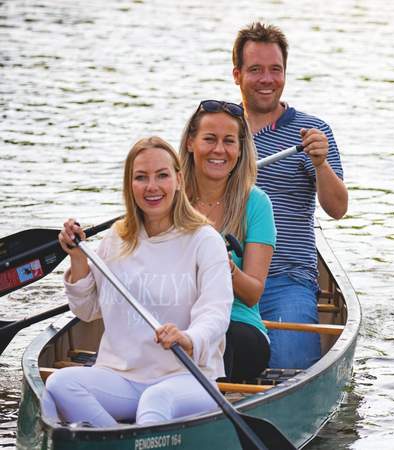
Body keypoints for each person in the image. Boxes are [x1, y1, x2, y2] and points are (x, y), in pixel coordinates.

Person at [45, 137, 232, 427]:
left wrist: (188, 337)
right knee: (58, 385)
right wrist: (77, 258)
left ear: (179, 180)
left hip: (186, 378)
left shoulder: (204, 240)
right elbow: (87, 311)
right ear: (130, 185)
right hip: (120, 377)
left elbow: (216, 313)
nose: (152, 187)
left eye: (162, 176)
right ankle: (116, 443)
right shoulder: (116, 238)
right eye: (141, 177)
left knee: (155, 400)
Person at [231, 22, 348, 369]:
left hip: (287, 278)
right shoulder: (219, 131)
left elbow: (338, 209)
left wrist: (321, 164)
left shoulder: (312, 132)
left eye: (275, 70)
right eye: (255, 70)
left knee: (289, 371)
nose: (267, 79)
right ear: (237, 74)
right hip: (222, 276)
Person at [179, 99, 276, 382]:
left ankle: (207, 406)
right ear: (190, 143)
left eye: (229, 141)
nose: (219, 150)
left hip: (236, 324)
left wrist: (224, 266)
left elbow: (252, 293)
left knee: (223, 339)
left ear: (239, 149)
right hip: (177, 317)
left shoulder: (256, 203)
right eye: (209, 139)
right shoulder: (168, 197)